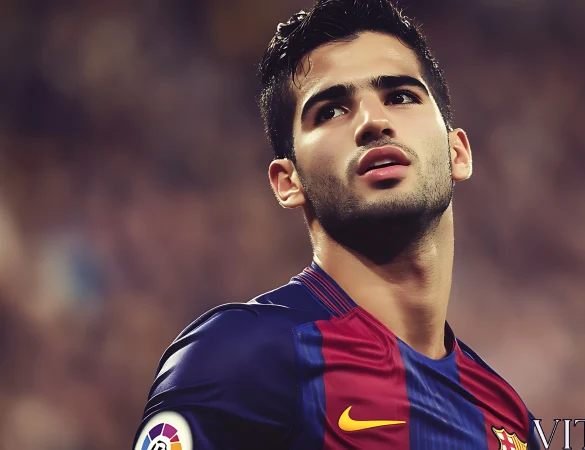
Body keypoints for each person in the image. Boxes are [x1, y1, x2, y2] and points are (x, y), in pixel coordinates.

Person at [133, 0, 540, 448]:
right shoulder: (241, 356)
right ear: (288, 182)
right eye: (330, 110)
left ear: (457, 152)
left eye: (401, 96)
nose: (373, 121)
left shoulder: (510, 420)